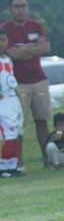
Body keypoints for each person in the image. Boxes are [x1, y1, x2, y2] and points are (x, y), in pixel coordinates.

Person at [1, 0, 51, 171]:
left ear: (28, 7)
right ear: (10, 9)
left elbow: (45, 48)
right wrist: (33, 49)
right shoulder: (5, 29)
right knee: (17, 125)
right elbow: (12, 54)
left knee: (42, 120)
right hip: (17, 84)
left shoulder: (36, 25)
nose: (20, 9)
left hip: (39, 79)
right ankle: (18, 162)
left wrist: (24, 49)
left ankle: (48, 158)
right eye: (16, 6)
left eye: (23, 5)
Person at [0, 29, 24, 178]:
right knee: (8, 132)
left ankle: (13, 165)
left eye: (4, 40)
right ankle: (3, 167)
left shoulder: (8, 60)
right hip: (2, 101)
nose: (2, 43)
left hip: (12, 98)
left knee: (16, 130)